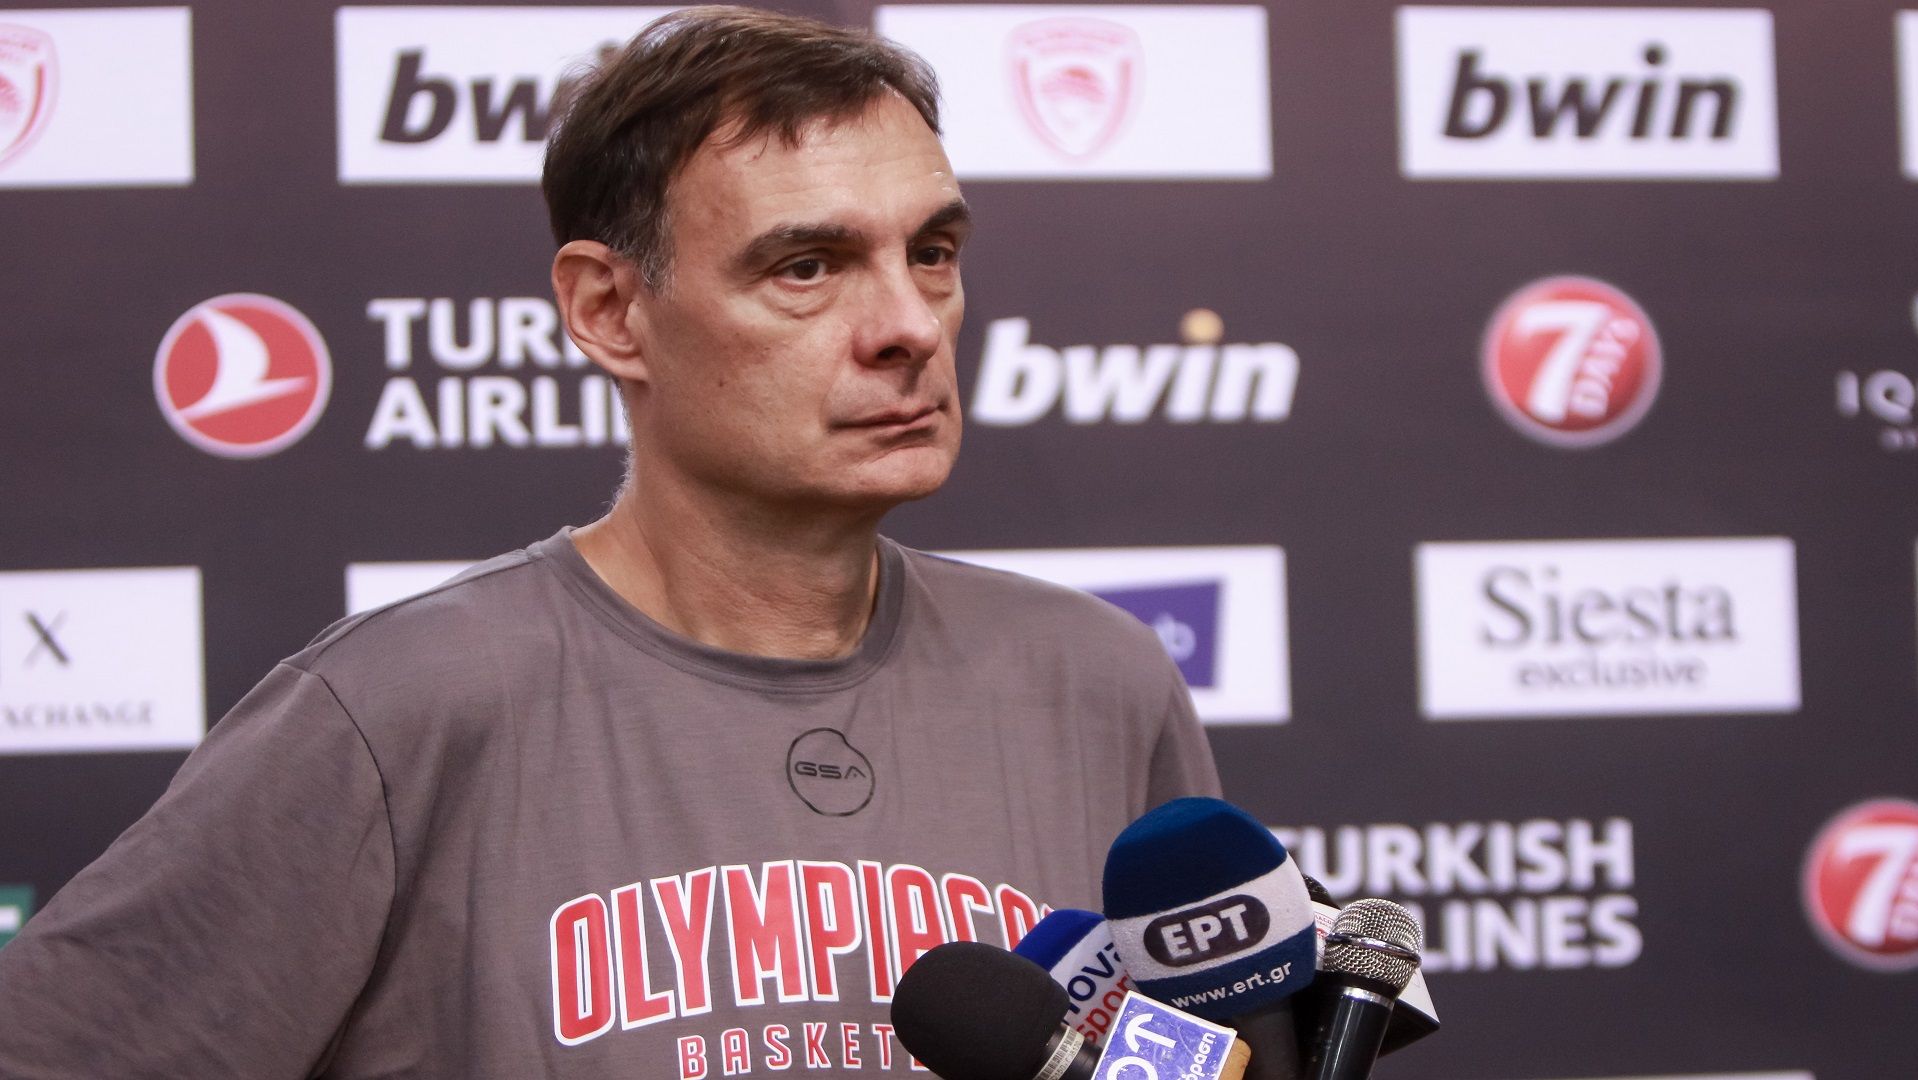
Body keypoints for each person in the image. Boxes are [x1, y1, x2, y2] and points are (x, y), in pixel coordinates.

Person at [0, 7, 1219, 1077]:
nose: (909, 324)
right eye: (808, 266)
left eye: (933, 254)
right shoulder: (391, 713)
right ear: (608, 310)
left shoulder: (1100, 682)